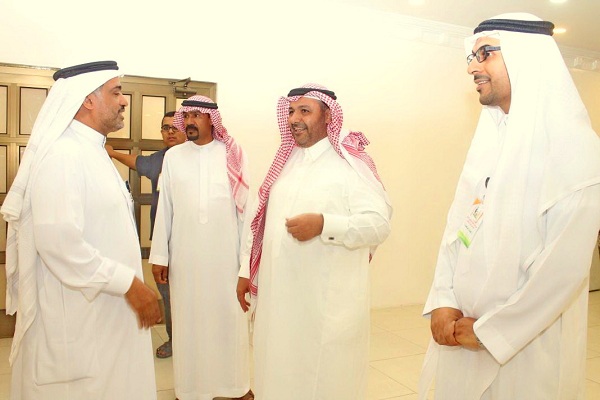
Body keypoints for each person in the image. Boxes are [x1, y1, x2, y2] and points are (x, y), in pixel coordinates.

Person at [419, 13, 600, 400]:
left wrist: (492, 331)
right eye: (472, 56)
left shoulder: (576, 152)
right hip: (461, 334)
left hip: (526, 352)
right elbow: (457, 230)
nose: (472, 67)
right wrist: (444, 300)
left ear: (526, 58)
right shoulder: (491, 142)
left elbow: (563, 270)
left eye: (486, 53)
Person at [1, 61, 160, 399]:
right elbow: (59, 243)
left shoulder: (92, 151)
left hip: (105, 317)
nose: (124, 101)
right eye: (116, 92)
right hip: (79, 320)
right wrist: (129, 283)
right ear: (88, 99)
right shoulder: (63, 156)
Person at [236, 84, 392, 399]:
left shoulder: (350, 165)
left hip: (324, 305)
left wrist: (324, 225)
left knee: (323, 380)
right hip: (279, 300)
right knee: (277, 371)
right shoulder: (287, 162)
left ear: (328, 116)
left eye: (304, 111)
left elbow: (378, 225)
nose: (294, 119)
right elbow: (260, 223)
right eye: (291, 111)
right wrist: (244, 271)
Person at [149, 95, 253, 400]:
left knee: (228, 321)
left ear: (211, 119)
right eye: (187, 116)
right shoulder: (173, 157)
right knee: (188, 323)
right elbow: (165, 209)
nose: (190, 121)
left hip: (225, 259)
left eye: (196, 115)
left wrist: (245, 265)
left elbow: (246, 213)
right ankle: (190, 389)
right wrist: (160, 256)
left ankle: (234, 387)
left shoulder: (233, 154)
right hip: (185, 259)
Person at [106, 110, 186, 358]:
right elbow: (137, 162)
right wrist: (112, 154)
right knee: (169, 295)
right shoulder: (159, 159)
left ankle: (196, 342)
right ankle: (175, 341)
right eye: (165, 128)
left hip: (192, 243)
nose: (170, 132)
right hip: (164, 244)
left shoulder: (196, 158)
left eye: (175, 127)